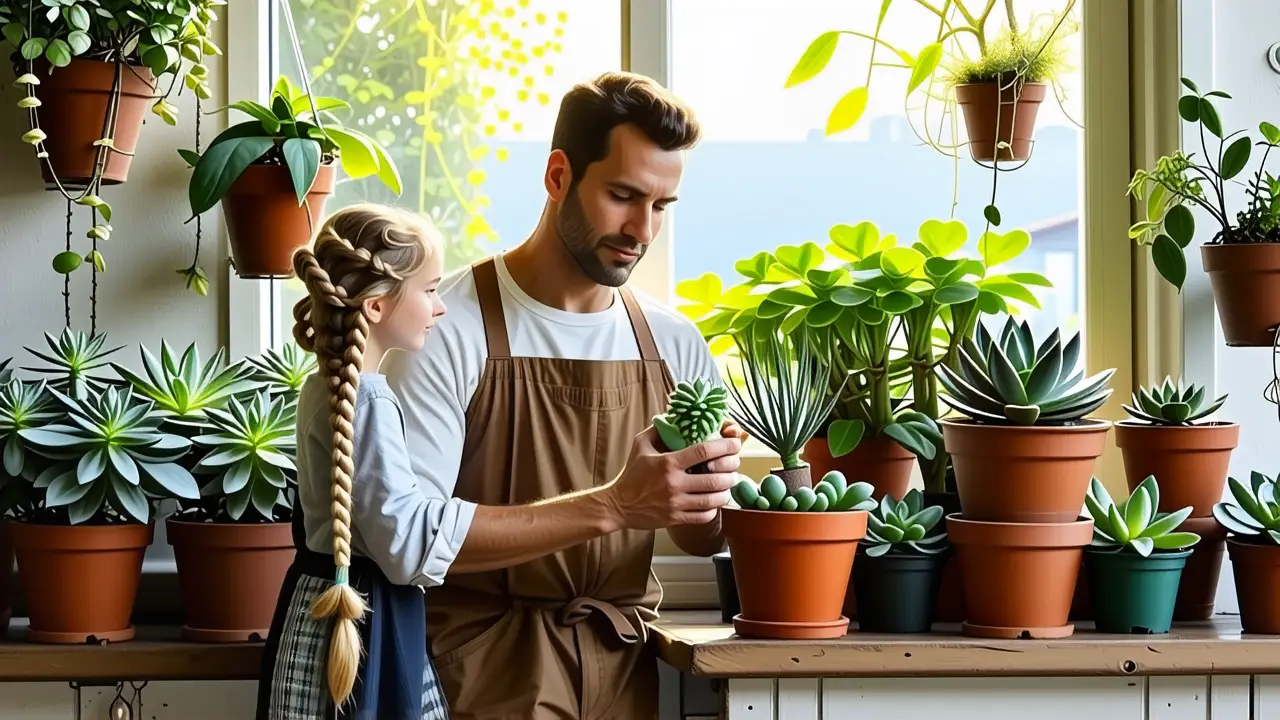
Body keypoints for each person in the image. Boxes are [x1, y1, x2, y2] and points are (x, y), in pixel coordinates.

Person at [382, 71, 743, 719]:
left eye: (662, 206)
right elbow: (414, 540)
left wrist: (709, 492)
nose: (642, 228)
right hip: (477, 670)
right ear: (557, 177)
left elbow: (700, 541)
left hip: (623, 672)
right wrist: (615, 505)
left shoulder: (673, 342)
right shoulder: (447, 326)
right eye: (624, 195)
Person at [256, 203, 468, 720]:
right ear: (376, 307)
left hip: (318, 599)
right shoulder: (369, 399)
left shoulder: (321, 385)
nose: (439, 307)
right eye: (431, 289)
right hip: (366, 618)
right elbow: (399, 540)